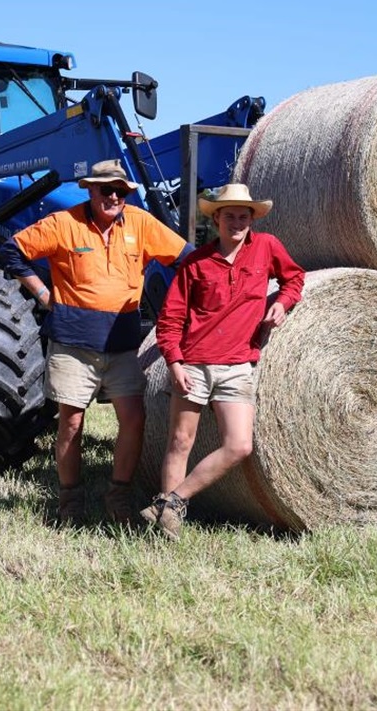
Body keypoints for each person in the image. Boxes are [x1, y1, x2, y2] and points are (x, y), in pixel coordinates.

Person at [0, 159, 189, 525]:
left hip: (121, 345)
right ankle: (70, 502)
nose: (114, 196)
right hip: (73, 344)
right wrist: (42, 293)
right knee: (71, 423)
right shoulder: (63, 223)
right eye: (106, 189)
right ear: (90, 189)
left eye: (120, 190)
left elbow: (185, 259)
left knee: (133, 420)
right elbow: (13, 251)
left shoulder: (141, 223)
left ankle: (118, 496)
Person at [142, 183, 305, 539]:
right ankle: (167, 527)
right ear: (216, 219)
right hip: (195, 363)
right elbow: (169, 321)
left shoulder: (266, 248)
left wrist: (281, 303)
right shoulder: (196, 263)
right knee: (179, 441)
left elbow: (295, 277)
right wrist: (174, 363)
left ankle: (170, 501)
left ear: (252, 219)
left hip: (236, 366)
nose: (237, 221)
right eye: (229, 215)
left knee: (240, 445)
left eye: (243, 216)